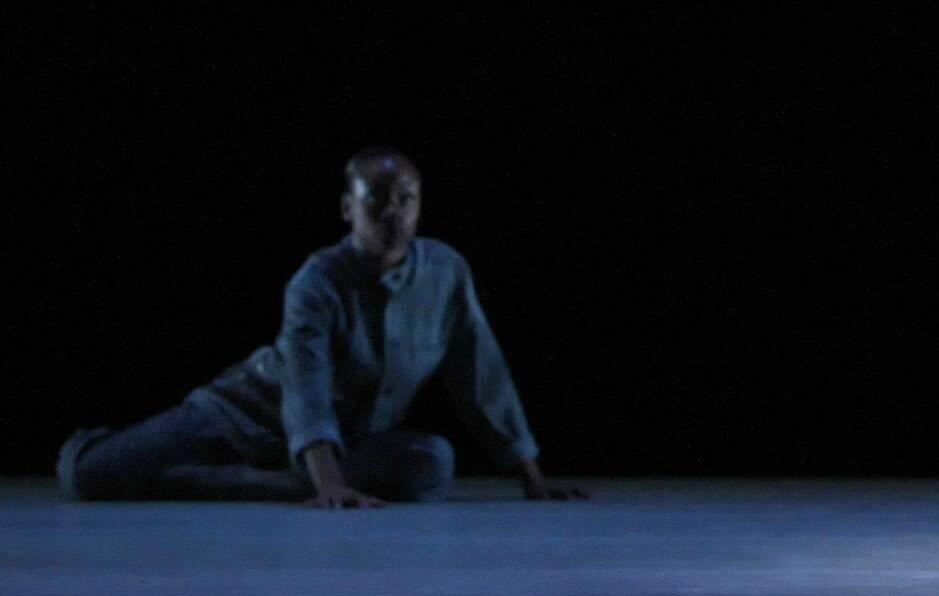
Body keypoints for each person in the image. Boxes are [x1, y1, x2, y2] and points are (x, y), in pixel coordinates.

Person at [58, 148, 588, 507]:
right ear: (347, 208)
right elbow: (305, 388)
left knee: (432, 463)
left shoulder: (446, 271)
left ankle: (250, 483)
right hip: (249, 413)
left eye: (407, 199)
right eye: (377, 200)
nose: (393, 214)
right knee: (89, 475)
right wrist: (331, 486)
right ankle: (282, 477)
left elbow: (480, 368)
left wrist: (530, 475)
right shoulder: (317, 281)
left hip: (347, 441)